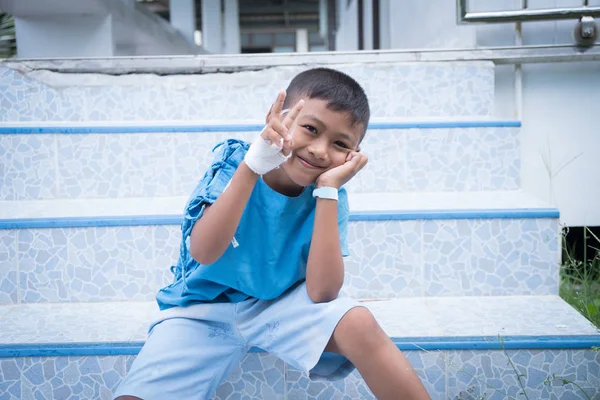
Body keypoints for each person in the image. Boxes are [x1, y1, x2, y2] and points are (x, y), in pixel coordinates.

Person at [114, 68, 430, 400]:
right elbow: (204, 252)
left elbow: (322, 292)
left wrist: (327, 190)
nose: (321, 151)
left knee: (359, 322)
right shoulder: (235, 162)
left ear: (353, 155)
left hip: (279, 305)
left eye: (339, 144)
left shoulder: (329, 193)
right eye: (310, 128)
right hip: (202, 308)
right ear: (280, 118)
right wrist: (253, 166)